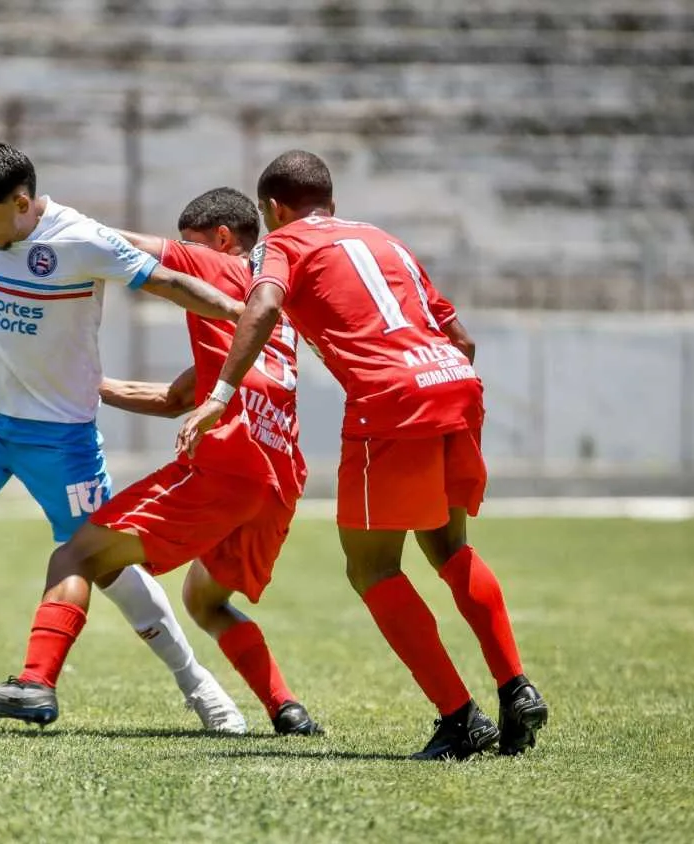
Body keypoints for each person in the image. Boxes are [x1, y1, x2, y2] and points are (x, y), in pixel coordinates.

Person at [178, 151, 549, 760]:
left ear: (273, 209)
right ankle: (516, 686)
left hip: (392, 403)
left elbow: (264, 307)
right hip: (453, 384)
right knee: (448, 548)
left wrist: (219, 393)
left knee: (371, 567)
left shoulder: (285, 243)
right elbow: (462, 337)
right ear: (333, 199)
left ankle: (460, 718)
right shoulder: (384, 239)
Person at [0, 141, 250, 734]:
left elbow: (169, 283)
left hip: (59, 436)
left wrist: (242, 313)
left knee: (105, 565)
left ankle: (199, 687)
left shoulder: (80, 239)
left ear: (23, 204)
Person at [0, 187, 322, 735]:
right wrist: (81, 386)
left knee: (75, 557)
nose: (182, 250)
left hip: (227, 465)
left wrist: (40, 218)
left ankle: (35, 684)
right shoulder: (271, 309)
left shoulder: (217, 263)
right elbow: (175, 400)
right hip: (279, 478)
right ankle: (286, 707)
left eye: (191, 242)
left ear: (221, 239)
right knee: (206, 600)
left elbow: (109, 243)